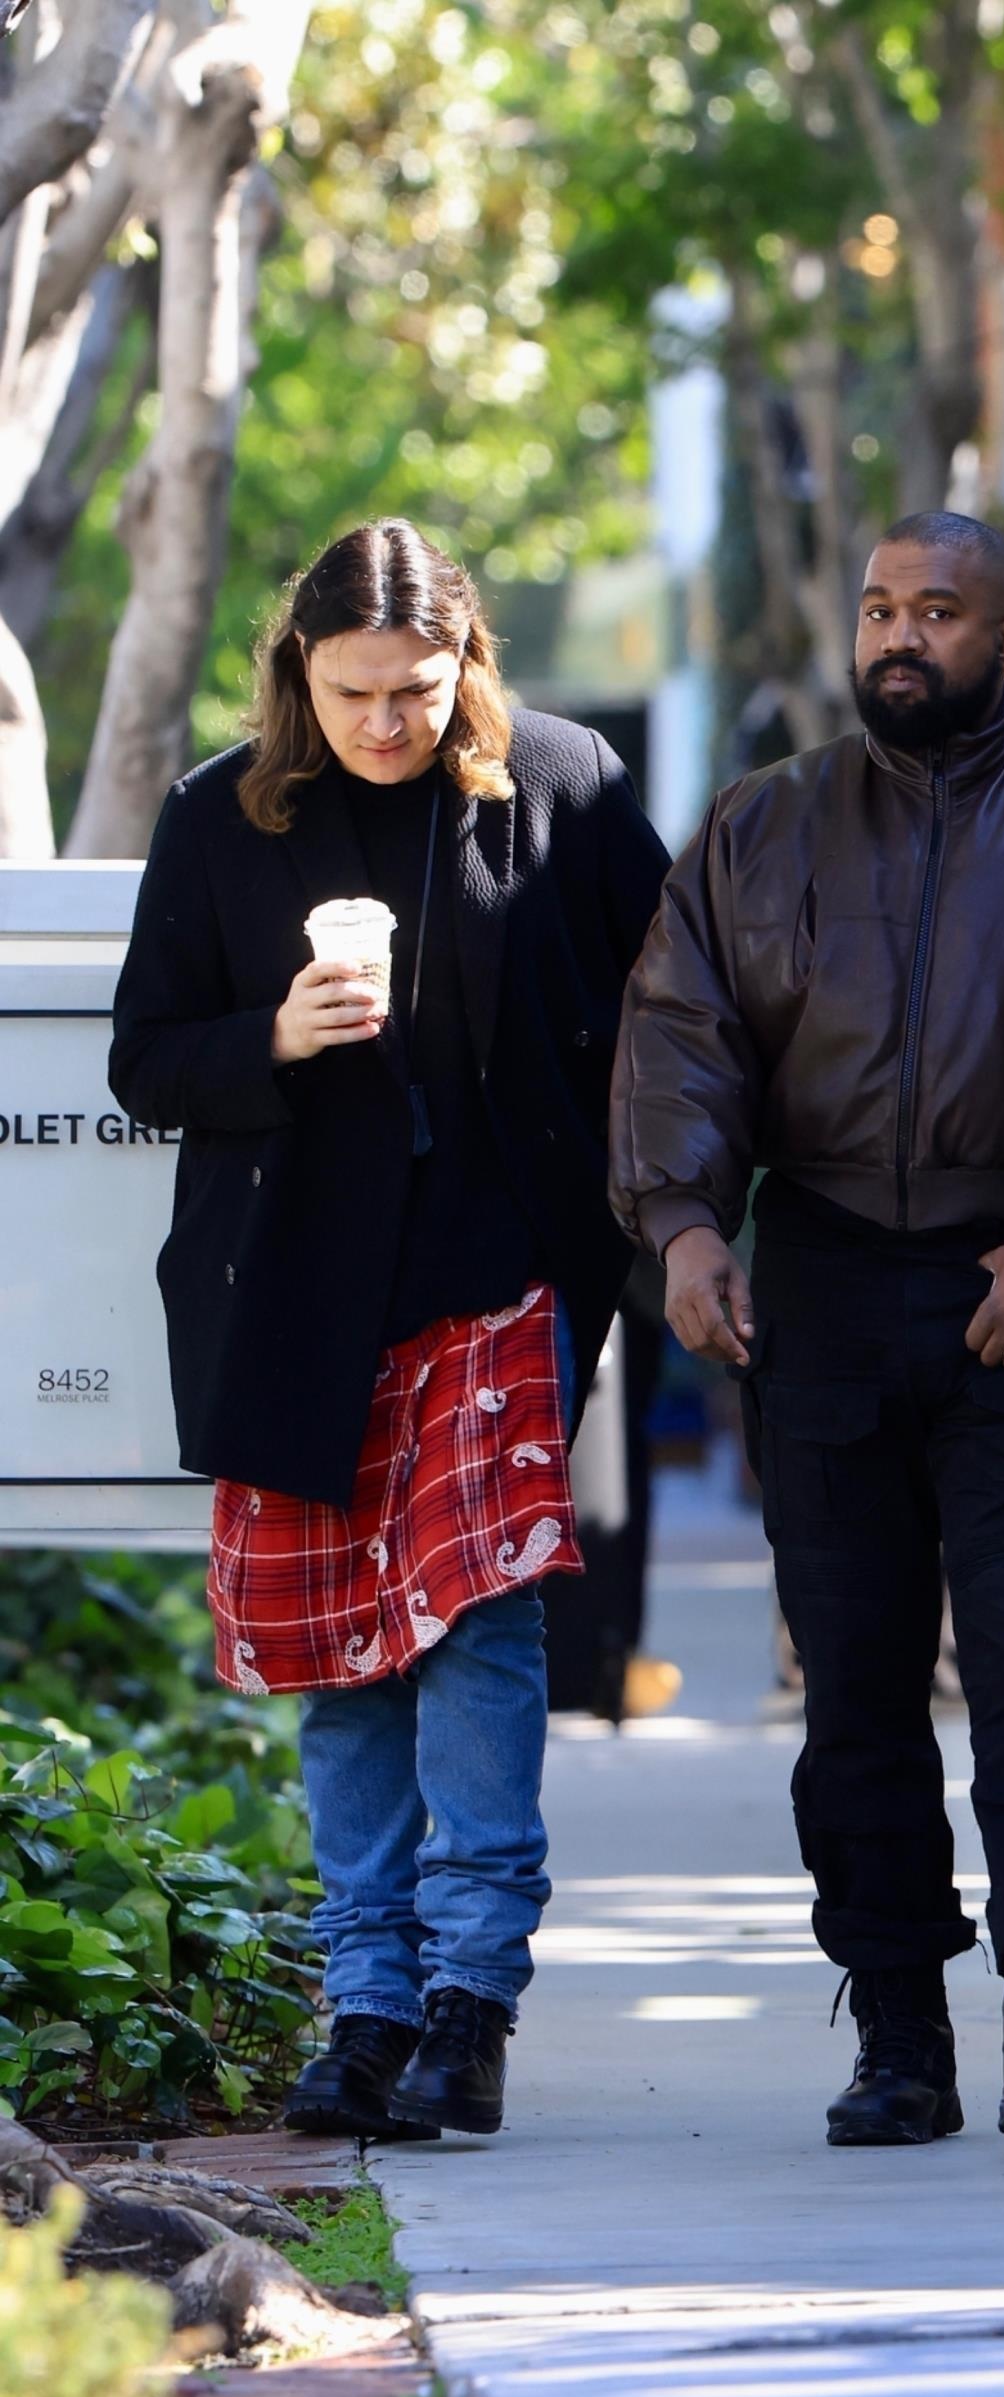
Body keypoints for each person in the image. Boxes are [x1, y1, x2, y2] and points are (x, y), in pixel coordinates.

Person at [612, 510, 1004, 2149]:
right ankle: (900, 2027)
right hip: (819, 1291)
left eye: (938, 611)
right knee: (862, 1694)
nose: (901, 635)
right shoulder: (762, 829)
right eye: (883, 607)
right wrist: (684, 1219)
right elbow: (682, 1033)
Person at [110, 519, 668, 2142]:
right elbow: (147, 1062)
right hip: (290, 1285)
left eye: (417, 691)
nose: (385, 723)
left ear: (468, 662)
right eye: (353, 692)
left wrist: (647, 1215)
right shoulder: (225, 816)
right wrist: (273, 1033)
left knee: (480, 1627)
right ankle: (364, 2006)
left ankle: (470, 2003)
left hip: (501, 1273)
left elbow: (674, 992)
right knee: (335, 1655)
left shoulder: (558, 782)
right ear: (300, 672)